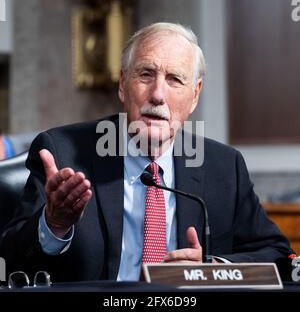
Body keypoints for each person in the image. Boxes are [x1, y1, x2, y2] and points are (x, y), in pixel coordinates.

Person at [0, 22, 293, 282]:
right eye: (145, 74)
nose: (157, 95)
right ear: (123, 85)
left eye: (175, 79)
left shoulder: (224, 167)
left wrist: (211, 268)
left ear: (194, 95)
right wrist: (54, 224)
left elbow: (277, 253)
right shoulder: (61, 153)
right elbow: (8, 260)